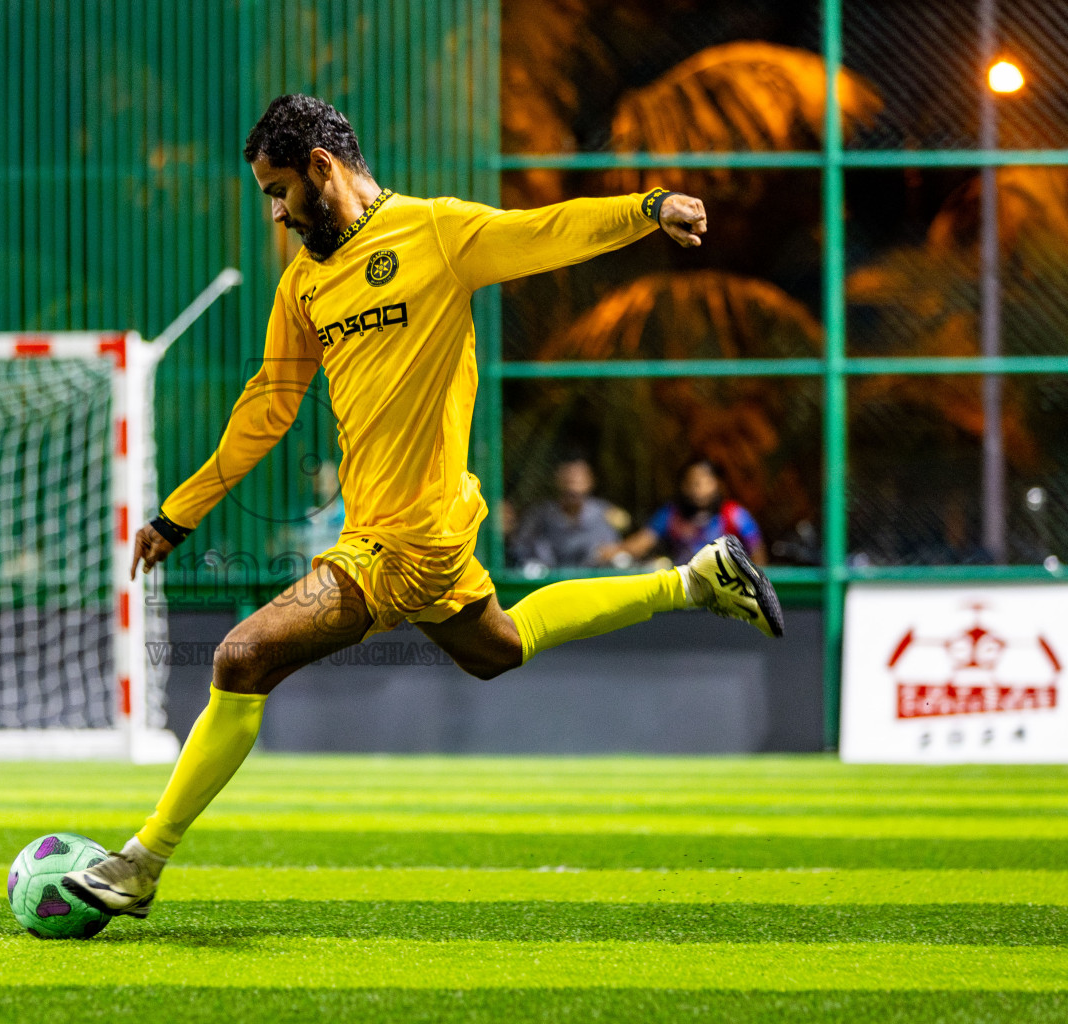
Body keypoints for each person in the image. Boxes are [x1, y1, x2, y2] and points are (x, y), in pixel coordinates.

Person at [63, 94, 783, 918]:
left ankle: (140, 863)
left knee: (238, 659)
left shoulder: (437, 233)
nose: (274, 212)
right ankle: (694, 582)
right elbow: (270, 401)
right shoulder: (304, 284)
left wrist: (648, 208)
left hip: (408, 538)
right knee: (498, 646)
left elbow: (547, 231)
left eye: (279, 190)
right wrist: (177, 514)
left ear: (322, 169)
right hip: (395, 530)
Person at [603, 457, 766, 566]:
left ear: (717, 484)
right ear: (684, 486)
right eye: (693, 482)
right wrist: (613, 551)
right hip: (686, 591)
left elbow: (757, 552)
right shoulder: (671, 514)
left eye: (705, 482)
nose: (699, 489)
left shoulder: (734, 515)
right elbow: (642, 542)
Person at [507, 456, 627, 568]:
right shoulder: (540, 514)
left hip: (590, 579)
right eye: (568, 480)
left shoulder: (605, 512)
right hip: (549, 580)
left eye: (579, 481)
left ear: (590, 481)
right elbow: (519, 547)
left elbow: (613, 551)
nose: (573, 488)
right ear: (557, 480)